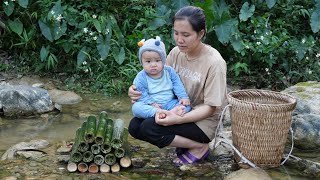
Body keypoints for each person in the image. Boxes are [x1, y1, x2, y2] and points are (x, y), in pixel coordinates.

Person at [128, 5, 227, 166]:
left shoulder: (214, 63)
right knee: (135, 126)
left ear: (201, 33)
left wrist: (176, 120)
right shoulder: (176, 53)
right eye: (176, 33)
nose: (179, 39)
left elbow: (211, 108)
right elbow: (157, 80)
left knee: (148, 127)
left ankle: (199, 146)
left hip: (202, 122)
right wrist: (134, 92)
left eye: (186, 35)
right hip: (175, 108)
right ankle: (186, 144)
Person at [132, 36, 191, 118]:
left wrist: (183, 97)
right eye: (148, 61)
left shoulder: (169, 71)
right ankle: (159, 113)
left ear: (163, 60)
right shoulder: (141, 76)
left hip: (170, 103)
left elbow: (177, 83)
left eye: (157, 60)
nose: (153, 65)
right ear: (142, 62)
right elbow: (142, 94)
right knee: (136, 108)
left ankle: (170, 112)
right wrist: (151, 104)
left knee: (186, 105)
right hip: (152, 105)